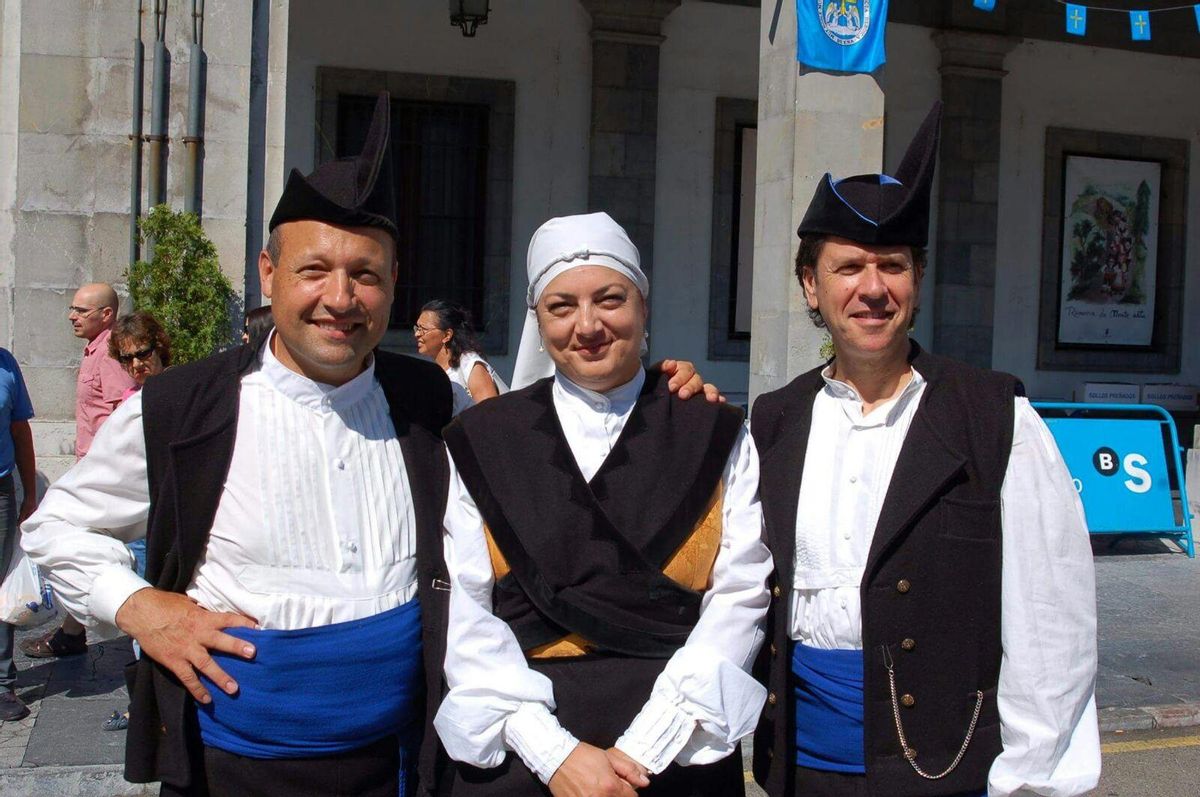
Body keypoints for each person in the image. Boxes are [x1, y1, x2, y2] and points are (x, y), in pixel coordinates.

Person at [22, 96, 711, 797]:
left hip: (404, 758)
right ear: (268, 274)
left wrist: (657, 396)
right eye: (314, 270)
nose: (341, 297)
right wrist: (144, 607)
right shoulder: (180, 408)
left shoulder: (432, 400)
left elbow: (548, 436)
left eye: (367, 274)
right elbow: (55, 526)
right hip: (237, 766)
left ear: (392, 284)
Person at [750, 103, 1101, 797]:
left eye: (894, 265)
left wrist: (1026, 776)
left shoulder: (998, 416)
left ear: (917, 282)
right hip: (800, 768)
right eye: (848, 266)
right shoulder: (775, 419)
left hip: (945, 765)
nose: (872, 287)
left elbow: (1052, 615)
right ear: (810, 286)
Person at [434, 212, 772, 796]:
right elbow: (465, 609)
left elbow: (742, 591)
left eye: (609, 299)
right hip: (523, 746)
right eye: (561, 307)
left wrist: (645, 747)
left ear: (643, 305)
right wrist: (554, 752)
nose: (587, 325)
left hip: (676, 747)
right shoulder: (484, 439)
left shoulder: (711, 429)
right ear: (537, 323)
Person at [21, 283, 135, 659]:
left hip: (104, 476)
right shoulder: (94, 350)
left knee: (88, 546)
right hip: (90, 470)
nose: (72, 316)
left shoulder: (110, 353)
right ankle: (71, 633)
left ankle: (112, 630)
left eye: (81, 311)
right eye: (72, 309)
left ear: (106, 314)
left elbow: (124, 411)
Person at [101, 311, 173, 732]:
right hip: (138, 522)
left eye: (142, 354)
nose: (135, 366)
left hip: (170, 519)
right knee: (143, 619)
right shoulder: (131, 401)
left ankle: (156, 706)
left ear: (159, 348)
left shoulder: (177, 391)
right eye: (126, 359)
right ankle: (146, 704)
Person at [0, 347, 38, 722]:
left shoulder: (6, 363)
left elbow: (19, 430)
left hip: (0, 492)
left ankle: (2, 684)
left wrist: (30, 491)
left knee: (1, 585)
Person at [414, 299, 507, 414]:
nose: (417, 334)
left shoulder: (470, 364)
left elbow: (489, 415)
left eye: (423, 329)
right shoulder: (435, 372)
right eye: (417, 328)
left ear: (447, 335)